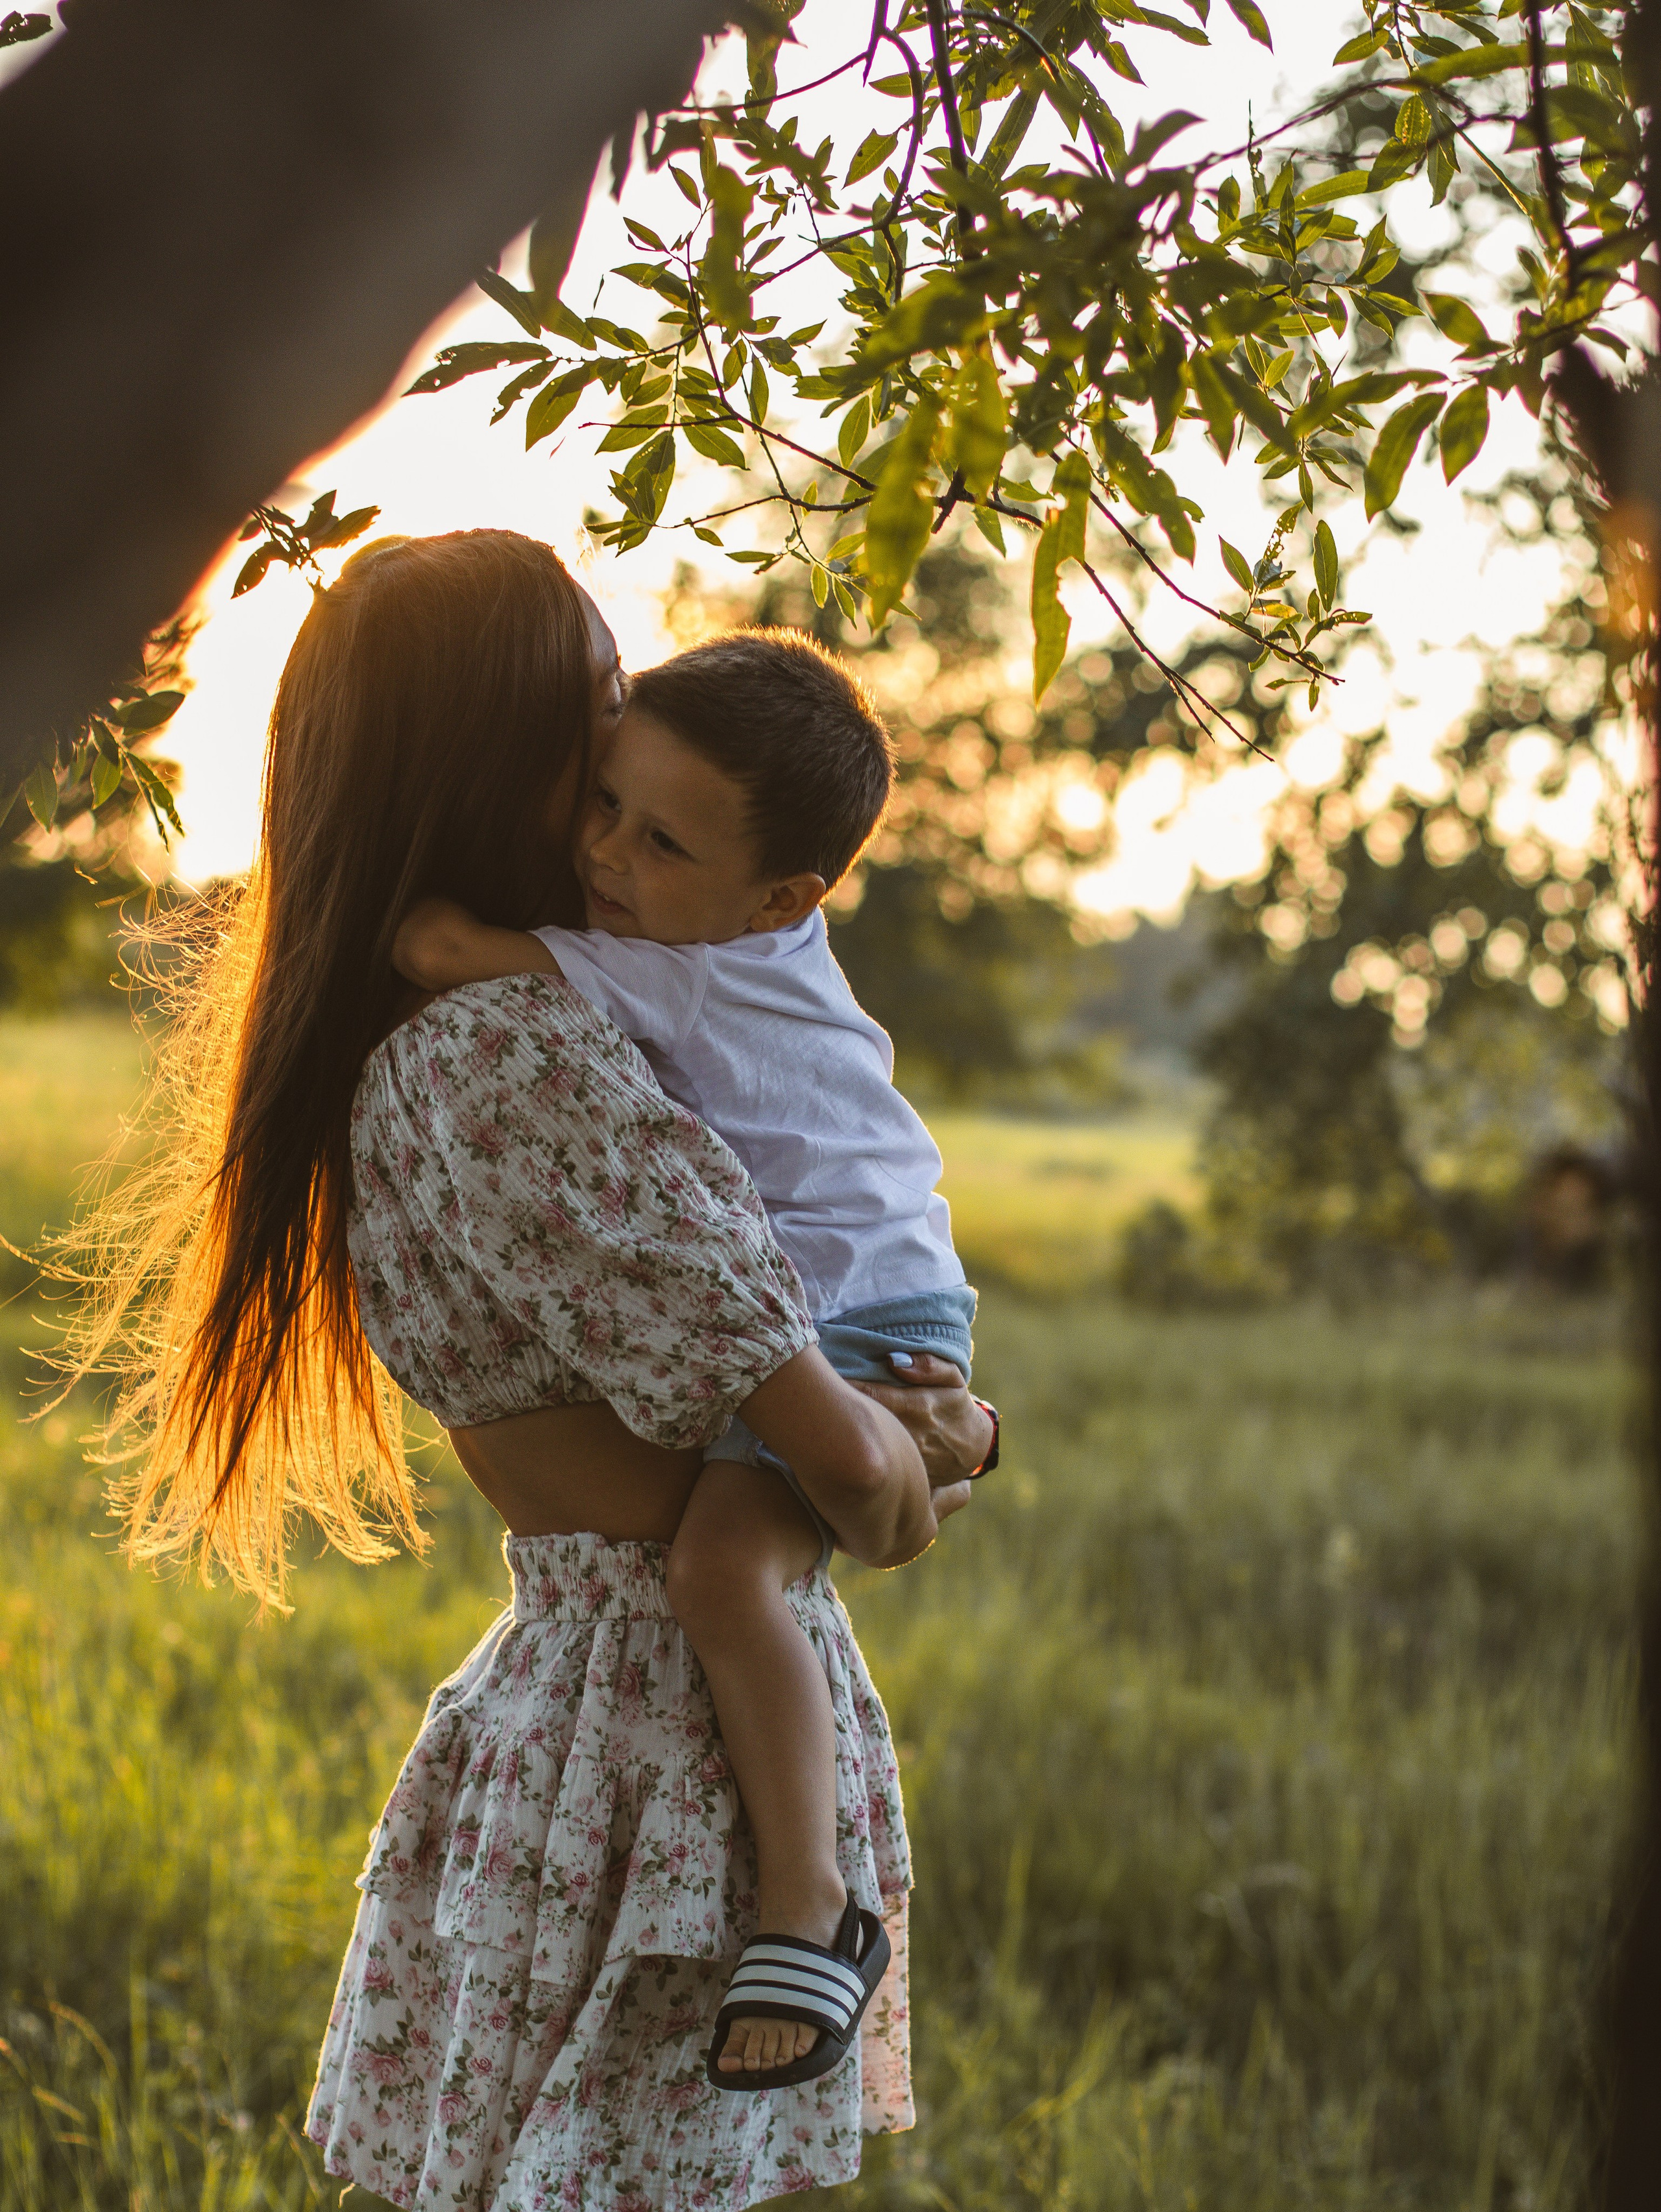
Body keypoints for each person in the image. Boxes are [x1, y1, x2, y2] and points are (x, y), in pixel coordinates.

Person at [56, 530, 994, 2211]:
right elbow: (853, 1476)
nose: (620, 770)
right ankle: (810, 1908)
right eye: (597, 714)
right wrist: (948, 1441)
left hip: (580, 1695)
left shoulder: (426, 1042)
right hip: (656, 1721)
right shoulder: (514, 1050)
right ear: (513, 747)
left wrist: (905, 1425)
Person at [393, 627, 997, 2093]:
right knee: (740, 1564)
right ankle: (807, 1890)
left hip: (856, 1317)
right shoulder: (710, 931)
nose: (604, 852)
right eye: (602, 799)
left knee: (722, 1572)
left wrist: (382, 880)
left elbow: (447, 951)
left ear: (780, 895)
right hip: (875, 1306)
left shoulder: (690, 973)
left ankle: (810, 1901)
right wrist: (947, 1438)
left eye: (655, 839)